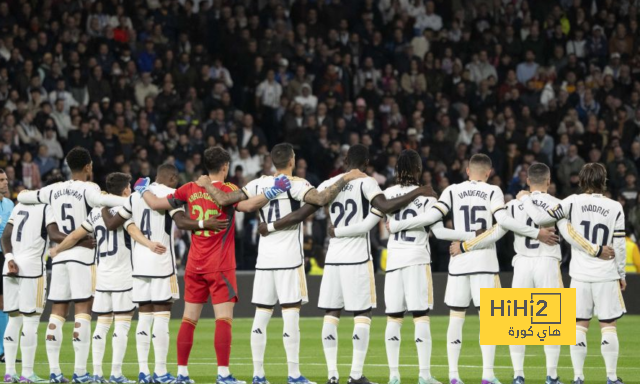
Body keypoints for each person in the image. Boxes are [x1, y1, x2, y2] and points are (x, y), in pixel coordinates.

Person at [260, 144, 440, 384]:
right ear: (366, 163)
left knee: (331, 314)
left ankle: (332, 375)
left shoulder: (325, 184)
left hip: (333, 258)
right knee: (362, 314)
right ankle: (355, 375)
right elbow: (384, 208)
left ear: (345, 160)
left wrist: (270, 226)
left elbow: (301, 214)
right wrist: (419, 192)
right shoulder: (367, 183)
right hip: (357, 257)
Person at [387, 154, 559, 384]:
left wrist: (398, 224)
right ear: (488, 173)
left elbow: (436, 229)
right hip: (485, 263)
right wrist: (536, 232)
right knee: (490, 322)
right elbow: (503, 224)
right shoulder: (493, 191)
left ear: (467, 170)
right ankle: (488, 375)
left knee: (456, 319)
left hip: (458, 261)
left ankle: (454, 376)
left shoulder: (451, 190)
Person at [139, 147, 291, 384]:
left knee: (189, 319)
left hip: (194, 264)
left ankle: (181, 374)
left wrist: (142, 189)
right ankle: (222, 374)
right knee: (223, 319)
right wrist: (274, 191)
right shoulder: (228, 190)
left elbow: (157, 204)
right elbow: (249, 206)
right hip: (220, 265)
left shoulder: (189, 188)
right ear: (225, 167)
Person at [450, 163, 610, 384]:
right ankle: (552, 376)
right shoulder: (558, 204)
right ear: (548, 181)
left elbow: (496, 231)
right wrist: (596, 251)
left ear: (527, 181)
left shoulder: (514, 205)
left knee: (517, 324)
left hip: (522, 264)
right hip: (547, 263)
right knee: (552, 323)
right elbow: (571, 234)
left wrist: (466, 245)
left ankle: (518, 375)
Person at [339, 150, 471, 384]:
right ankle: (424, 375)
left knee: (394, 318)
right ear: (419, 170)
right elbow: (439, 233)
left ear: (397, 171)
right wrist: (471, 235)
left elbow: (371, 222)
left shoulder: (387, 194)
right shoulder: (430, 196)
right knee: (420, 316)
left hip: (394, 261)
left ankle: (394, 376)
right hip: (417, 260)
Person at [241, 143, 366, 384]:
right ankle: (294, 374)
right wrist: (344, 179)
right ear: (291, 161)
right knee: (290, 315)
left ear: (272, 161)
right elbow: (320, 199)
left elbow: (236, 202)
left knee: (261, 315)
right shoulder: (298, 184)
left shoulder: (258, 183)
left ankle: (258, 374)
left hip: (264, 259)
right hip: (289, 259)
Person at [16, 147, 127, 383]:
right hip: (82, 257)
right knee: (83, 311)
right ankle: (80, 372)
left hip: (59, 259)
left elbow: (26, 197)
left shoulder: (54, 189)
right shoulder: (90, 188)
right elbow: (105, 200)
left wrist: (24, 192)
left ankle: (55, 372)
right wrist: (133, 200)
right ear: (88, 166)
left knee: (57, 313)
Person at [517, 163, 627, 384]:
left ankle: (578, 377)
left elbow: (541, 219)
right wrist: (621, 273)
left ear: (581, 181)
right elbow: (620, 245)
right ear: (603, 181)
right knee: (608, 325)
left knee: (579, 325)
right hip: (606, 274)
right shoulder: (615, 207)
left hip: (579, 274)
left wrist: (525, 198)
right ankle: (612, 378)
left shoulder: (570, 202)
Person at [49, 173, 161, 384]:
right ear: (126, 190)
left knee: (102, 324)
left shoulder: (95, 214)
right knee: (122, 324)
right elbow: (134, 231)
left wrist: (57, 249)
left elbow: (74, 235)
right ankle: (116, 374)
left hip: (102, 276)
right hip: (123, 274)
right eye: (128, 187)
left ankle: (98, 373)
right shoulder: (126, 209)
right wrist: (150, 244)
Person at [0, 198, 71, 383]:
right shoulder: (47, 208)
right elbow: (54, 235)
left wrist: (9, 257)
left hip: (10, 267)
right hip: (32, 270)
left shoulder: (19, 206)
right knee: (31, 321)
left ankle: (9, 373)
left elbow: (5, 236)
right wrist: (78, 239)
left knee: (14, 320)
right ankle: (27, 374)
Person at [0, 169, 14, 364]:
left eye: (5, 179)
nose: (5, 182)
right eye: (1, 180)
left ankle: (3, 350)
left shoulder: (10, 204)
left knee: (5, 304)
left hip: (5, 257)